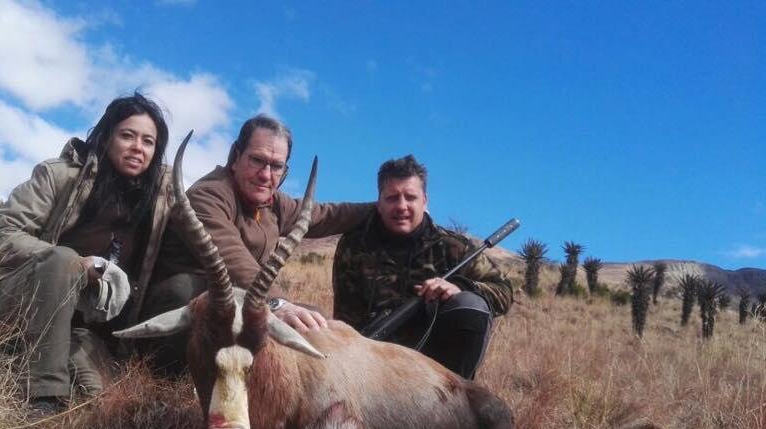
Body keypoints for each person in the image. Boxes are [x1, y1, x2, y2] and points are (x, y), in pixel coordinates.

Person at [0, 93, 173, 416]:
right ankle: (44, 398)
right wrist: (76, 263)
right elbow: (3, 233)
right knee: (62, 261)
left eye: (148, 141)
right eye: (127, 135)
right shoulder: (59, 175)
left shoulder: (160, 199)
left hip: (82, 327)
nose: (137, 147)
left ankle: (27, 357)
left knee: (94, 400)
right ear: (107, 135)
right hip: (20, 300)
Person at [147, 115, 372, 370]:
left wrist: (387, 208)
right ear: (235, 156)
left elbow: (328, 214)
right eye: (257, 160)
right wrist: (276, 303)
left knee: (311, 318)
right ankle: (177, 373)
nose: (265, 175)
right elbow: (232, 259)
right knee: (187, 290)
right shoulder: (207, 196)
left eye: (276, 166)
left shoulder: (273, 204)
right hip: (192, 302)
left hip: (242, 302)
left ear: (285, 172)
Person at [332, 155, 512, 380]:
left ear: (425, 201)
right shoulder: (354, 246)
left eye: (410, 197)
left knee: (470, 304)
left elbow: (504, 291)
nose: (401, 206)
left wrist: (460, 288)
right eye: (392, 198)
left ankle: (460, 394)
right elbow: (344, 316)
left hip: (436, 363)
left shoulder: (453, 247)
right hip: (373, 362)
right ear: (378, 203)